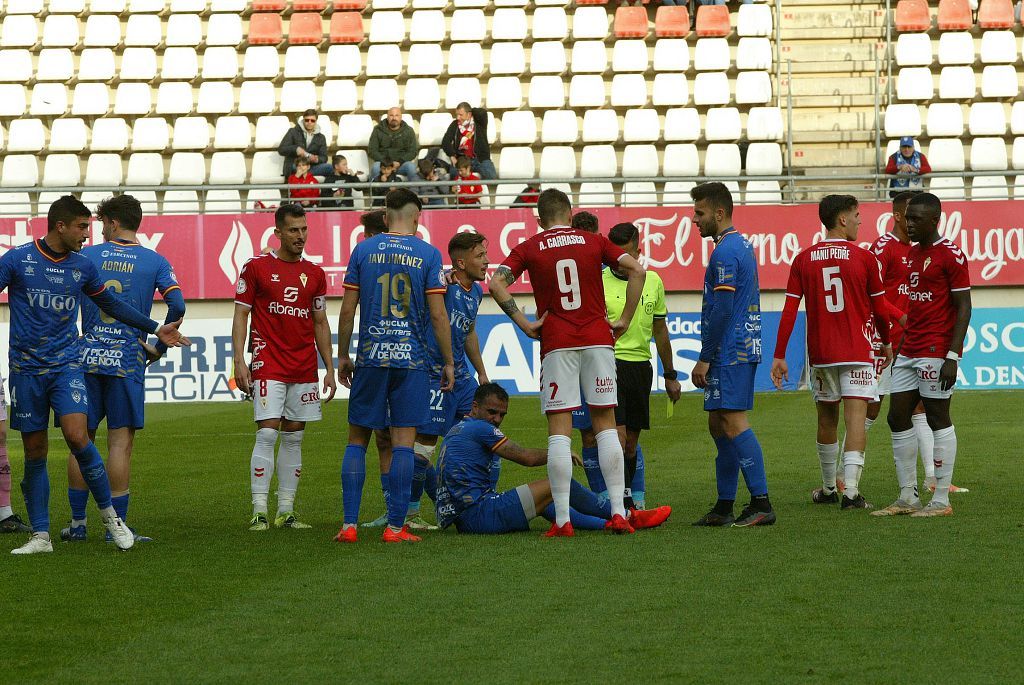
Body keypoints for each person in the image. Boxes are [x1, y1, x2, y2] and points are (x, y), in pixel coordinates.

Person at [2, 196, 189, 555]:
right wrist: (155, 333)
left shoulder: (84, 264)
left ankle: (103, 521)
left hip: (72, 363)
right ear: (61, 226)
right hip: (31, 369)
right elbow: (167, 303)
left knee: (77, 436)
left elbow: (110, 303)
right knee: (41, 449)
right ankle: (41, 536)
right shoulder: (18, 259)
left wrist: (155, 328)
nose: (89, 234)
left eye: (92, 226)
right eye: (82, 227)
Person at [489, 188, 646, 537]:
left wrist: (524, 322)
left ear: (539, 219)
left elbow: (496, 281)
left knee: (559, 429)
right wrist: (624, 319)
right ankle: (620, 512)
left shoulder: (529, 246)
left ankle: (563, 520)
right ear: (571, 212)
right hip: (597, 339)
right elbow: (637, 270)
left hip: (557, 341)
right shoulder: (593, 241)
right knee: (605, 422)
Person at [60, 194, 187, 544]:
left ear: (113, 222)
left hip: (86, 356)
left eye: (101, 223)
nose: (99, 230)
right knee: (120, 444)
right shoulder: (155, 261)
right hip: (127, 358)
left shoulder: (85, 255)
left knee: (81, 441)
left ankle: (77, 523)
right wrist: (158, 348)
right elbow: (177, 304)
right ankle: (117, 527)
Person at [336, 188, 454, 544]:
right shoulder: (428, 254)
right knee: (404, 442)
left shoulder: (363, 250)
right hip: (412, 360)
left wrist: (343, 355)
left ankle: (349, 526)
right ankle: (396, 528)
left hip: (371, 356)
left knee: (358, 439)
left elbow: (346, 309)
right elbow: (437, 314)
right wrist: (448, 361)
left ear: (385, 218)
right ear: (417, 219)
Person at [770, 195, 893, 510]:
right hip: (856, 349)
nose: (859, 221)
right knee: (856, 420)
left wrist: (779, 354)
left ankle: (827, 489)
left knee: (826, 419)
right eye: (856, 215)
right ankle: (851, 493)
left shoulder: (803, 259)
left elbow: (788, 310)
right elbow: (880, 309)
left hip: (822, 353)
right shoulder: (865, 258)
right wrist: (886, 340)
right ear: (842, 219)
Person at [435, 384, 671, 535]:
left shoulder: (458, 429)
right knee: (559, 482)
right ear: (474, 407)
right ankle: (626, 514)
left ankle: (608, 524)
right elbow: (525, 457)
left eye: (502, 415)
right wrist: (560, 454)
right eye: (492, 412)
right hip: (481, 515)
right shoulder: (480, 429)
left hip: (468, 518)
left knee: (551, 498)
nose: (497, 419)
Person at [233, 204, 336, 531]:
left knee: (294, 439)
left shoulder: (316, 273)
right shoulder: (256, 267)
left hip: (304, 365)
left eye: (304, 229)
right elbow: (241, 315)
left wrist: (329, 368)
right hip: (268, 362)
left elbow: (320, 321)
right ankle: (259, 509)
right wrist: (239, 360)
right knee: (266, 432)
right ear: (277, 232)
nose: (300, 236)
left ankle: (286, 511)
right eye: (293, 230)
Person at [865, 191, 967, 499]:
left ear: (934, 221)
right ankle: (907, 495)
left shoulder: (951, 255)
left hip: (936, 349)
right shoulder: (911, 255)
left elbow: (964, 306)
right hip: (908, 349)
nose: (909, 224)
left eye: (916, 219)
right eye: (907, 218)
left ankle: (940, 497)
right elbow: (914, 303)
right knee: (897, 416)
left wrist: (953, 354)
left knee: (937, 416)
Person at [688, 182, 774, 528]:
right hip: (740, 344)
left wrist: (705, 356)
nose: (695, 220)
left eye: (700, 213)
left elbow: (723, 308)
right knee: (718, 422)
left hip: (730, 349)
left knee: (733, 421)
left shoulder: (725, 252)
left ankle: (761, 502)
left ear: (719, 213)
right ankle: (724, 505)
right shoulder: (737, 244)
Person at [602, 222, 681, 511]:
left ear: (638, 250)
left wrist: (670, 374)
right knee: (618, 439)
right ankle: (621, 502)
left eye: (627, 256)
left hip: (641, 369)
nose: (621, 265)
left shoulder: (653, 281)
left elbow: (660, 330)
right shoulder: (599, 281)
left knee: (631, 444)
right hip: (610, 365)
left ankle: (625, 499)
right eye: (615, 257)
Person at [440, 102, 497, 181]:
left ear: (469, 114)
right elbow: (445, 142)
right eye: (457, 115)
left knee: (491, 176)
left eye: (461, 115)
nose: (458, 117)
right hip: (462, 159)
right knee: (454, 176)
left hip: (480, 159)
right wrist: (452, 156)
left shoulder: (479, 122)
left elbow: (482, 112)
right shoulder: (455, 124)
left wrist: (469, 109)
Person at [368, 107, 420, 181]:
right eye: (391, 115)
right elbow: (372, 150)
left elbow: (413, 151)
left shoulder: (408, 131)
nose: (394, 118)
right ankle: (376, 192)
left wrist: (399, 162)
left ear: (401, 117)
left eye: (397, 115)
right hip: (383, 165)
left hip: (401, 165)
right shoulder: (378, 129)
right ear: (387, 117)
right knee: (376, 167)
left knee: (411, 167)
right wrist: (387, 163)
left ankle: (414, 191)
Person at [277, 108, 332, 179]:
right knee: (295, 167)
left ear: (316, 121)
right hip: (295, 166)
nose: (309, 122)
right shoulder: (293, 132)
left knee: (330, 168)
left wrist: (317, 159)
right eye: (307, 120)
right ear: (303, 120)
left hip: (311, 167)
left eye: (312, 120)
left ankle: (334, 190)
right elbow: (281, 149)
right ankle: (306, 179)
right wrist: (295, 149)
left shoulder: (321, 137)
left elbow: (324, 157)